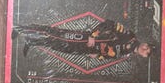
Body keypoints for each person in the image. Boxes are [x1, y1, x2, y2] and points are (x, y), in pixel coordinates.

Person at [12, 19, 153, 59]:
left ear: (144, 56)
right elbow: (110, 24)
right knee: (54, 34)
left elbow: (109, 55)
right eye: (147, 47)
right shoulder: (130, 36)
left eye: (147, 52)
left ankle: (31, 41)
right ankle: (21, 28)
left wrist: (97, 56)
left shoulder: (127, 54)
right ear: (145, 43)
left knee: (56, 46)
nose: (145, 49)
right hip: (85, 39)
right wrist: (93, 35)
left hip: (85, 50)